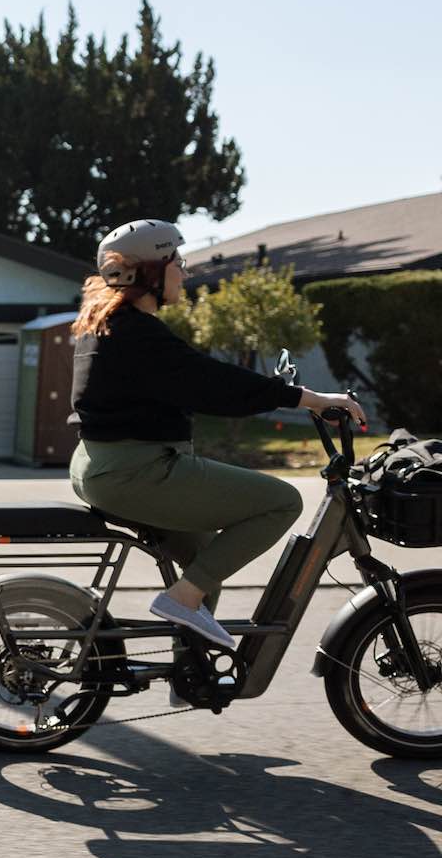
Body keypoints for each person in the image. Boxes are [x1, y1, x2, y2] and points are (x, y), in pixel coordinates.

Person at [69, 218, 366, 650]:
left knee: (205, 564)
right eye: (178, 261)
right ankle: (182, 602)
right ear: (149, 271)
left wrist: (287, 395)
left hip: (106, 467)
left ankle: (190, 670)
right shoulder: (136, 333)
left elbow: (196, 378)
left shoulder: (111, 326)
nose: (185, 272)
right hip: (135, 473)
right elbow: (212, 384)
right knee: (282, 502)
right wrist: (309, 398)